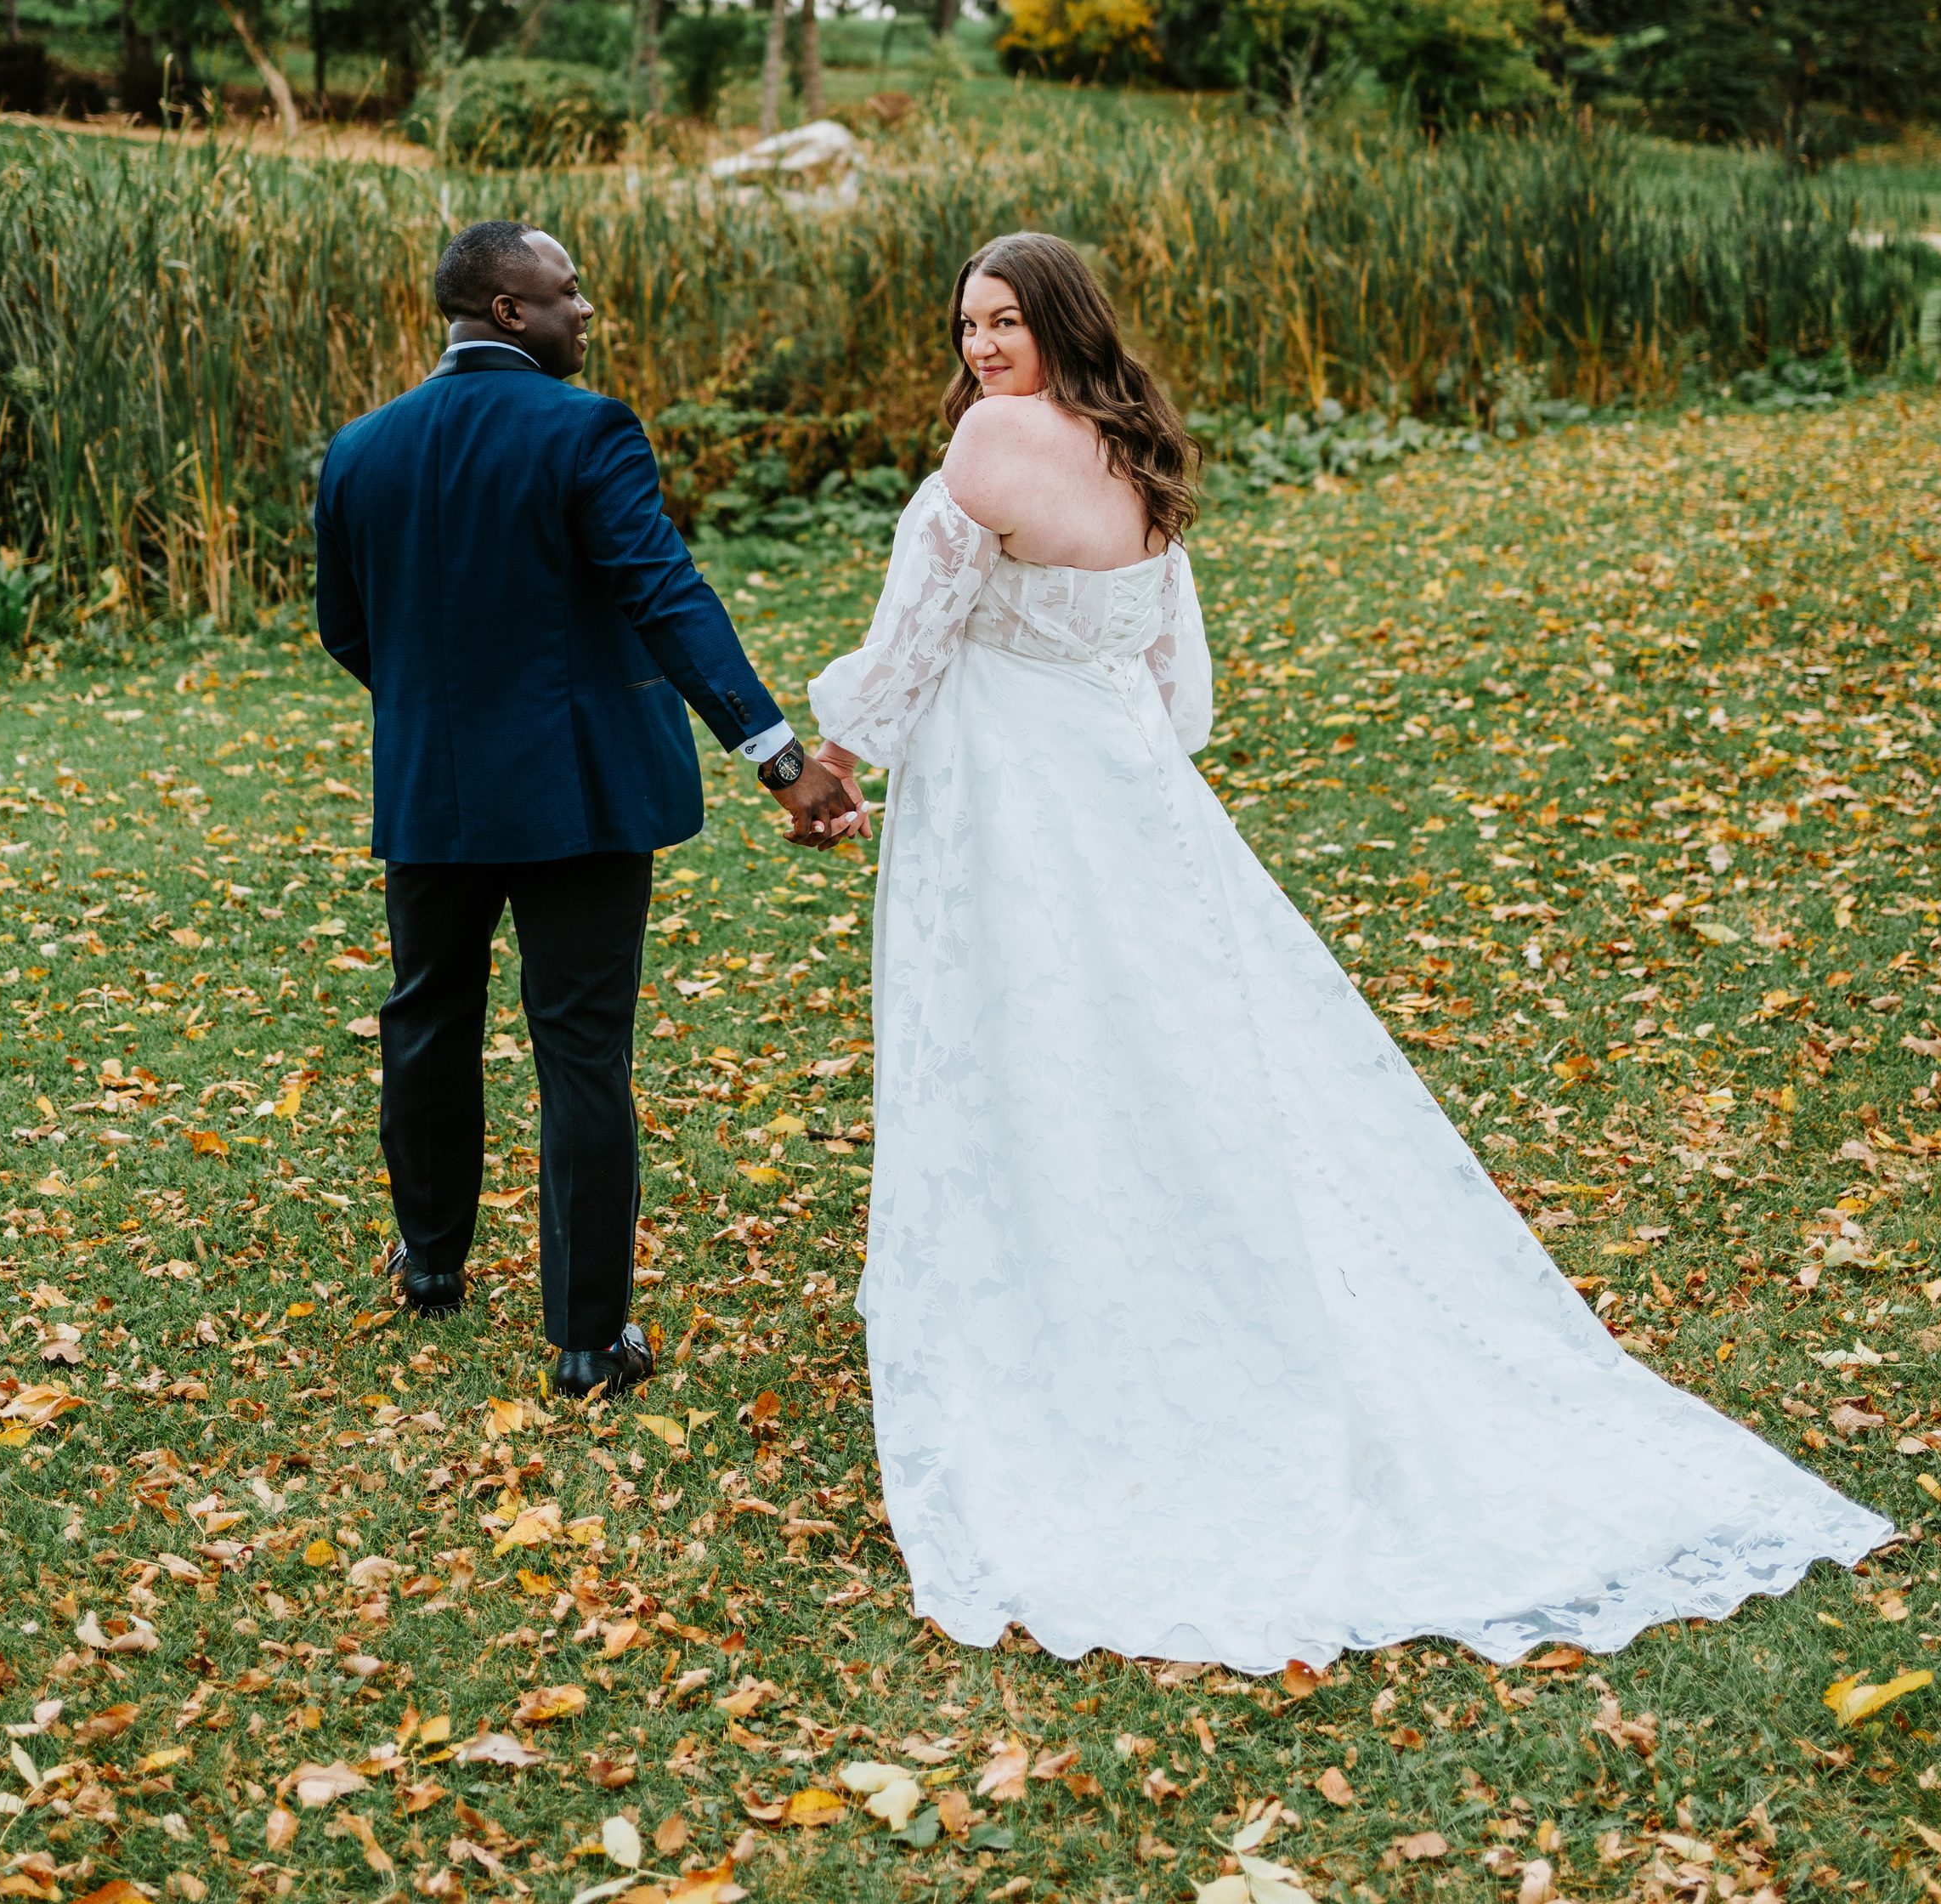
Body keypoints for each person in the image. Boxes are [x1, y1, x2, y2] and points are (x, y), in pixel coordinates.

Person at [806, 230, 1886, 1672]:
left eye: (1004, 320)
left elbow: (918, 632)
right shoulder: (1138, 451)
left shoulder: (992, 443)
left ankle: (1070, 1313)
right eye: (965, 326)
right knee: (1168, 1045)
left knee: (1027, 1035)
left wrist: (835, 759)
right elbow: (1174, 684)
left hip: (1013, 792)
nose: (980, 348)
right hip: (1130, 784)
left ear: (1060, 320)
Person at [314, 218, 855, 1400]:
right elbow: (666, 595)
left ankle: (431, 1264)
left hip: (435, 793)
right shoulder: (587, 428)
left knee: (427, 1019)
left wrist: (445, 715)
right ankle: (587, 1339)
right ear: (509, 310)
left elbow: (348, 631)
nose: (586, 310)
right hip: (582, 799)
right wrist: (779, 759)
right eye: (568, 293)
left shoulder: (360, 448)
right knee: (579, 1048)